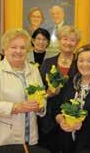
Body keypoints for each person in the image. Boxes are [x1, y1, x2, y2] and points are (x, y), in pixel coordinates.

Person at [0, 28, 46, 146]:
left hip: (30, 137)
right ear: (5, 49)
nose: (18, 51)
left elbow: (42, 96)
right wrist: (16, 107)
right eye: (13, 47)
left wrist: (40, 107)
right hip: (3, 139)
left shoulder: (34, 70)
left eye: (22, 47)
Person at [38, 25, 80, 153]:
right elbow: (38, 93)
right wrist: (48, 94)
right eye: (65, 39)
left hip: (72, 118)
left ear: (77, 43)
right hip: (49, 120)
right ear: (59, 41)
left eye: (72, 40)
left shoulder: (81, 63)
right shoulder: (47, 63)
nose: (68, 43)